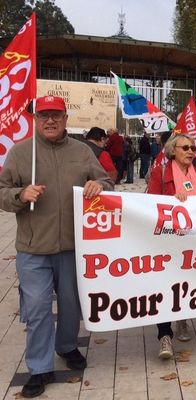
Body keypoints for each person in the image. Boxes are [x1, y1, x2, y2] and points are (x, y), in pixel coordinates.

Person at [0, 96, 113, 398]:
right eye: (43, 115)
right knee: (37, 308)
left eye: (56, 115)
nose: (49, 121)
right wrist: (20, 195)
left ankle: (67, 346)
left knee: (71, 305)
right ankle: (39, 367)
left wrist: (98, 186)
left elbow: (107, 181)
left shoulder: (82, 151)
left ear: (65, 119)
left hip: (74, 246)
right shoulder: (21, 153)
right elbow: (1, 192)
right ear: (36, 119)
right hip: (33, 248)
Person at [147, 134, 196, 358]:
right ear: (173, 151)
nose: (191, 151)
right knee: (165, 284)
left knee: (186, 282)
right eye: (185, 148)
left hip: (193, 239)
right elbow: (150, 203)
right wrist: (172, 199)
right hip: (167, 239)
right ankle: (164, 336)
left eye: (193, 148)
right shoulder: (160, 173)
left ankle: (182, 317)